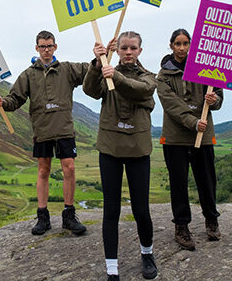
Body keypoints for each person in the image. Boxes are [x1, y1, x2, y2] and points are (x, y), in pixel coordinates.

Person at [0, 30, 87, 236]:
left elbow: (91, 70)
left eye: (50, 46)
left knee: (68, 168)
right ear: (37, 48)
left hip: (64, 128)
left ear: (55, 47)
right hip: (42, 129)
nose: (46, 50)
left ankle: (69, 216)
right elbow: (15, 99)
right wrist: (2, 103)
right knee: (43, 171)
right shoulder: (28, 74)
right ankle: (42, 218)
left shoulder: (68, 69)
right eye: (42, 46)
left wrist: (101, 56)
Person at [84, 32, 157, 280]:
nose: (127, 52)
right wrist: (97, 64)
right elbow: (90, 90)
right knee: (110, 210)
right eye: (124, 48)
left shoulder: (148, 77)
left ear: (140, 51)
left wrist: (113, 74)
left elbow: (141, 90)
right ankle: (111, 268)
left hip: (138, 150)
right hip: (110, 149)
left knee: (141, 209)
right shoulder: (106, 70)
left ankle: (147, 253)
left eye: (132, 48)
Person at [156, 28, 223, 251]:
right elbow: (172, 105)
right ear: (171, 45)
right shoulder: (163, 75)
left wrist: (213, 100)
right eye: (178, 44)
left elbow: (219, 100)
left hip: (203, 136)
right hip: (175, 137)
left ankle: (212, 220)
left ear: (191, 44)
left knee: (206, 180)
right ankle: (182, 227)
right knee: (178, 183)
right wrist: (193, 122)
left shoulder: (208, 68)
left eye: (186, 43)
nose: (182, 48)